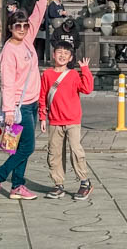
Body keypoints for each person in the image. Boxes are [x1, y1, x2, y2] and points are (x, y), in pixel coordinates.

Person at [0, 0, 53, 202]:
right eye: (18, 26)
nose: (23, 29)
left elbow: (36, 18)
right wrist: (9, 111)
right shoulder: (9, 52)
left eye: (24, 26)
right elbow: (8, 83)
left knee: (20, 147)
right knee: (27, 148)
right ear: (10, 28)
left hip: (32, 103)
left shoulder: (26, 40)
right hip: (19, 106)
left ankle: (18, 186)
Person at [39, 42, 94, 200]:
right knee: (55, 153)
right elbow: (42, 97)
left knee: (76, 151)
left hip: (72, 120)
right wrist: (42, 117)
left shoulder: (74, 74)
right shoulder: (47, 75)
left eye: (66, 53)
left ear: (70, 58)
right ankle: (58, 184)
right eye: (59, 52)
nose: (62, 55)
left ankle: (84, 182)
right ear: (53, 54)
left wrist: (85, 70)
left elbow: (87, 89)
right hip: (55, 120)